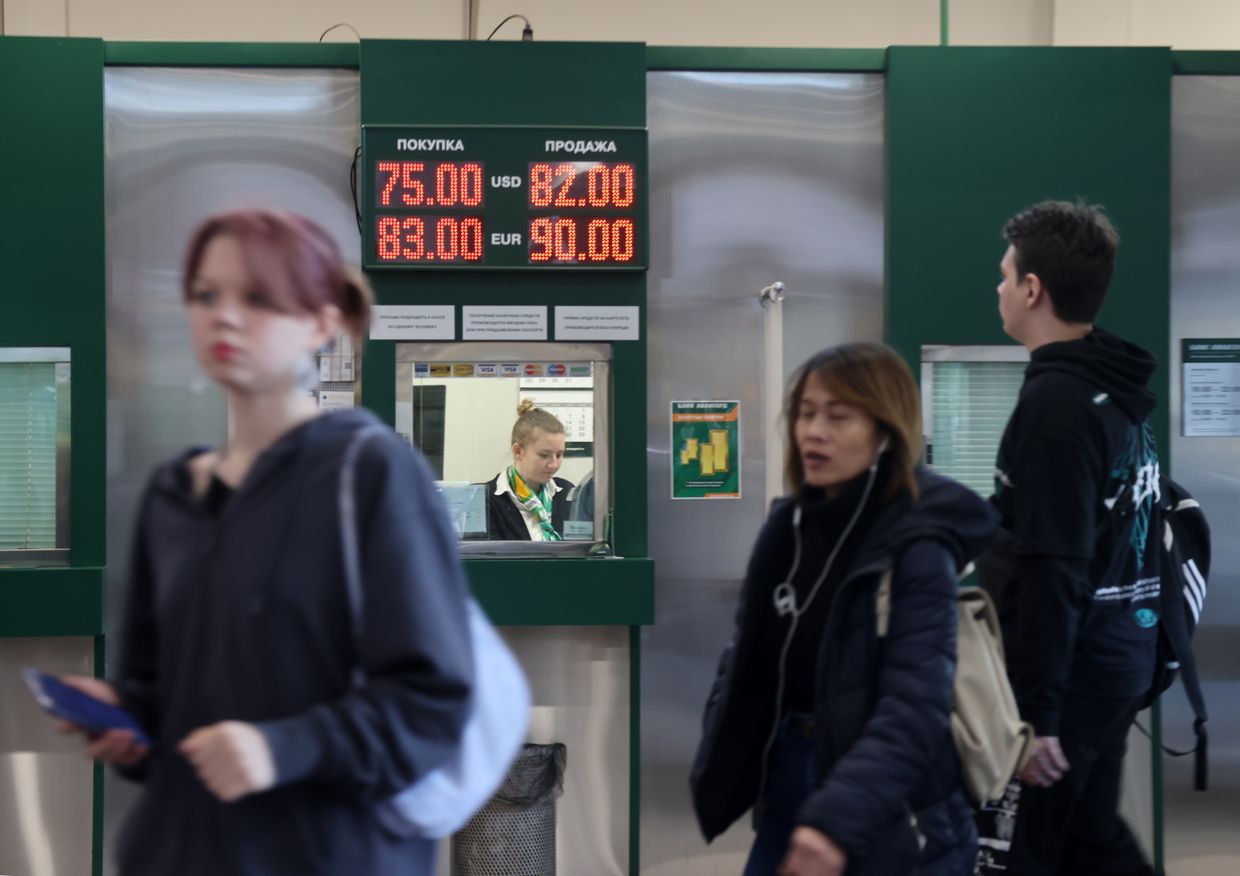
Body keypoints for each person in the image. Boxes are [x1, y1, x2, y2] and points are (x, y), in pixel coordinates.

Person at [55, 209, 474, 875]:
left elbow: (433, 702)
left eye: (256, 298)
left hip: (323, 853)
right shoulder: (173, 495)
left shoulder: (367, 473)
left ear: (321, 321)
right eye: (205, 295)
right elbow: (169, 693)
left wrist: (286, 746)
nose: (224, 316)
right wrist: (129, 718)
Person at [691, 342, 997, 876]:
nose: (814, 431)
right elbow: (746, 652)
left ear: (885, 430)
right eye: (806, 414)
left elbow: (915, 704)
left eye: (838, 417)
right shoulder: (787, 530)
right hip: (792, 775)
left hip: (890, 800)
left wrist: (836, 820)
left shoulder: (917, 544)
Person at [987, 200, 1160, 876]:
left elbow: (1055, 570)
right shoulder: (1110, 390)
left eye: (1004, 276)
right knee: (1092, 846)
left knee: (1029, 853)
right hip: (1118, 656)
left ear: (1033, 289)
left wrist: (1038, 716)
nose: (998, 288)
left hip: (1076, 673)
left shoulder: (1058, 406)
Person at [482, 400, 573, 541]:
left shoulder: (568, 493)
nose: (554, 464)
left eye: (559, 454)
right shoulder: (485, 501)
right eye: (544, 455)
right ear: (518, 451)